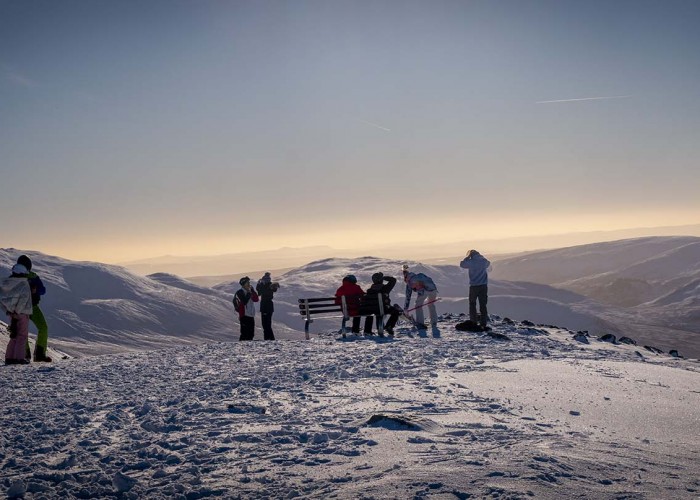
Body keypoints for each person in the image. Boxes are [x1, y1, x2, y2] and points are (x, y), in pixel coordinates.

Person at [16, 255, 50, 362]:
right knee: (27, 330)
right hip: (23, 307)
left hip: (29, 306)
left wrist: (36, 290)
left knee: (41, 328)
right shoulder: (19, 276)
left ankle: (35, 355)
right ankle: (28, 355)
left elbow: (43, 290)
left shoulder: (32, 277)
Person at [2, 264, 34, 365]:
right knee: (22, 336)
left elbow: (1, 300)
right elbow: (23, 300)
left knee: (14, 335)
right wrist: (18, 312)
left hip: (11, 313)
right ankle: (19, 358)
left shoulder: (7, 283)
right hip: (22, 313)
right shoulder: (24, 284)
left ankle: (9, 358)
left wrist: (8, 311)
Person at [459, 249, 491, 328]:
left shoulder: (471, 262)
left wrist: (466, 258)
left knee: (472, 304)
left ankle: (473, 321)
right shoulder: (483, 261)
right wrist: (482, 257)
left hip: (474, 286)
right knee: (483, 305)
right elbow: (488, 263)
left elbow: (462, 264)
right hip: (483, 285)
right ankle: (483, 323)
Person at [233, 276, 259, 341]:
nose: (249, 284)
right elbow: (244, 301)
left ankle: (248, 347)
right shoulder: (240, 292)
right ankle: (242, 347)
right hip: (244, 315)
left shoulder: (250, 291)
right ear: (243, 284)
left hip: (250, 314)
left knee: (251, 333)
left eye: (249, 282)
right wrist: (249, 293)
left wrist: (252, 291)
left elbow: (256, 299)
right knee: (244, 333)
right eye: (247, 283)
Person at [255, 272, 279, 340]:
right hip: (268, 307)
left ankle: (269, 338)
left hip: (266, 307)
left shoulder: (267, 286)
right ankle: (269, 338)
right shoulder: (270, 286)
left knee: (266, 324)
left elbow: (260, 291)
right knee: (267, 324)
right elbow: (260, 292)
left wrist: (259, 284)